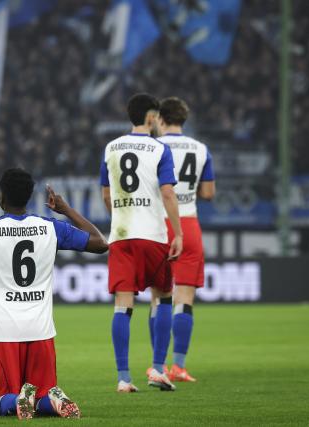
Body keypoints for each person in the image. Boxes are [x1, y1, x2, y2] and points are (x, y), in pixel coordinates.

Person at [0, 168, 108, 419]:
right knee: (42, 392)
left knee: (3, 402)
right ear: (28, 197)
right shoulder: (50, 227)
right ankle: (49, 401)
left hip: (5, 332)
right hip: (42, 331)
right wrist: (66, 210)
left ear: (1, 197)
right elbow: (100, 243)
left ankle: (27, 401)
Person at [100, 93, 183, 392]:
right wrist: (179, 234)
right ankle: (158, 369)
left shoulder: (111, 148)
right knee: (161, 297)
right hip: (153, 236)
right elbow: (168, 194)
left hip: (121, 236)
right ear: (151, 118)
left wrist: (122, 215)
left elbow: (107, 196)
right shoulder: (160, 149)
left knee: (122, 306)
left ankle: (123, 378)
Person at [148, 97, 215, 383]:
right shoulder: (201, 149)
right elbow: (209, 193)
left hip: (160, 223)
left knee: (157, 299)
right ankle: (180, 366)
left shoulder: (154, 148)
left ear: (160, 120)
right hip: (189, 223)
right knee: (184, 299)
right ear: (183, 120)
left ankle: (157, 366)